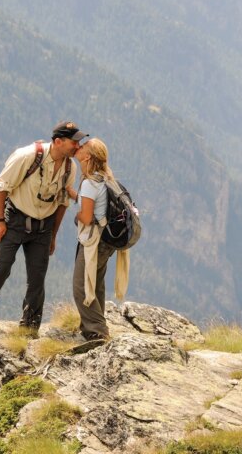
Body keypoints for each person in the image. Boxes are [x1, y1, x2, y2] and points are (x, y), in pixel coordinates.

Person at [0, 121, 86, 333]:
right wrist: (0, 220)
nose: (78, 146)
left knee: (37, 277)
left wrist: (53, 235)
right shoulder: (27, 156)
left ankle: (29, 327)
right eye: (74, 142)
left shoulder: (69, 167)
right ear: (58, 141)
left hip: (44, 227)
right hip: (14, 221)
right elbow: (1, 187)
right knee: (1, 267)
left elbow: (62, 202)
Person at [71, 138, 130, 341]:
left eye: (82, 147)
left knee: (81, 286)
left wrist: (77, 216)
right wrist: (72, 194)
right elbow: (95, 203)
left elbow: (87, 217)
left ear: (87, 157)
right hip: (108, 240)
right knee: (95, 283)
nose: (78, 147)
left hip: (93, 241)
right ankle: (91, 326)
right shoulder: (105, 178)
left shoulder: (89, 183)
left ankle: (97, 331)